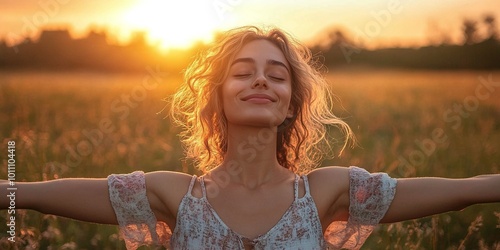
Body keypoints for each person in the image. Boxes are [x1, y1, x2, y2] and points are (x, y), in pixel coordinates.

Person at [1, 26, 499, 250]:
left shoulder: (325, 192)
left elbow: (462, 189)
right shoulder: (174, 194)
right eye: (243, 72)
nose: (261, 80)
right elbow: (35, 196)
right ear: (217, 98)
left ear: (291, 104)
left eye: (277, 76)